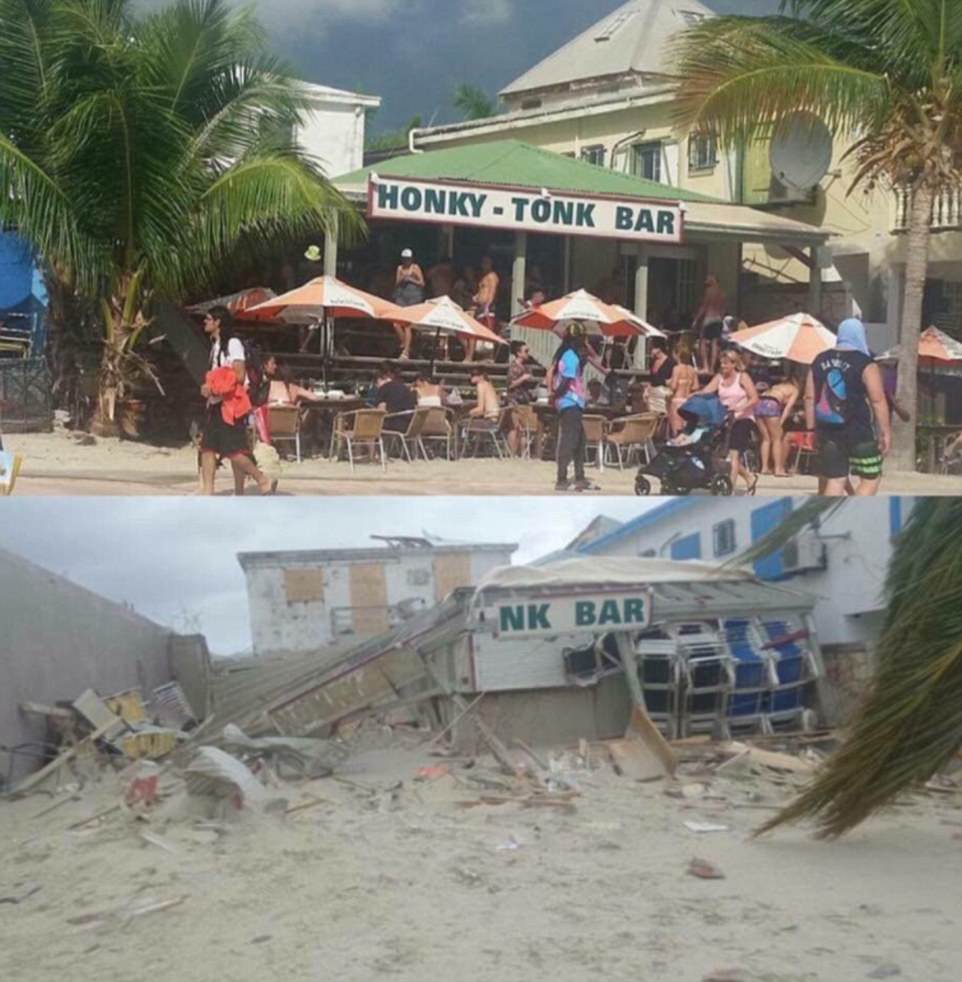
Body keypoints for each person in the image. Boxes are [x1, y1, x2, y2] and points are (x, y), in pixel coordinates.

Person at [806, 318, 891, 496]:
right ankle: (855, 513)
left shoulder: (819, 360)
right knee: (870, 477)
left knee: (836, 479)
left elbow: (809, 396)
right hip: (859, 430)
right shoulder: (865, 362)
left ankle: (829, 522)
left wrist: (811, 429)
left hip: (828, 429)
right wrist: (885, 431)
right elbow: (877, 399)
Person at [198, 306, 271, 496]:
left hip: (230, 405)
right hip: (216, 404)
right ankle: (208, 491)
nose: (204, 322)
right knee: (207, 447)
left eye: (208, 319)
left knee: (234, 451)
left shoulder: (233, 344)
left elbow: (239, 375)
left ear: (218, 322)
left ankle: (261, 479)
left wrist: (214, 388)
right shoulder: (216, 346)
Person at [697, 348, 760, 494]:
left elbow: (754, 398)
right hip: (725, 418)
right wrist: (691, 396)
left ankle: (729, 489)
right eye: (721, 364)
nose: (723, 367)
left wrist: (739, 407)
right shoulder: (719, 378)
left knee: (734, 454)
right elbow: (706, 391)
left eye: (726, 364)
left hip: (743, 418)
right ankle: (749, 477)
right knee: (716, 453)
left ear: (734, 364)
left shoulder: (742, 377)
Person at [552, 323, 599, 493]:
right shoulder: (570, 356)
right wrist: (556, 395)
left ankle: (579, 477)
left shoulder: (568, 355)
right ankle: (562, 479)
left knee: (580, 441)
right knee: (569, 441)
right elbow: (565, 382)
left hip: (573, 401)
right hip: (569, 401)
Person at [755, 368, 802, 477]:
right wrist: (781, 421)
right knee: (777, 438)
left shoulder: (777, 386)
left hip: (760, 401)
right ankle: (778, 469)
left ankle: (764, 467)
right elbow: (787, 408)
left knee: (766, 438)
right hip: (771, 404)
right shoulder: (794, 389)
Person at [392, 248, 425, 359]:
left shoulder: (415, 268)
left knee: (407, 325)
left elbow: (422, 283)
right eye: (404, 259)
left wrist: (411, 279)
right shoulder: (399, 268)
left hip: (413, 297)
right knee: (396, 323)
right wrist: (402, 278)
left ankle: (406, 350)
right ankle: (404, 343)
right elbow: (396, 283)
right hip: (402, 296)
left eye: (408, 259)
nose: (406, 261)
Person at [467, 255, 499, 361]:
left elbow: (492, 291)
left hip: (487, 307)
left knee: (487, 331)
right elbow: (482, 291)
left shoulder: (492, 276)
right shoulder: (483, 276)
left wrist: (488, 306)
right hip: (480, 306)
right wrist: (476, 297)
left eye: (486, 262)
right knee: (479, 330)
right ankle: (481, 355)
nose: (484, 265)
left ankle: (489, 356)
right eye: (483, 262)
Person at [693, 274, 726, 374]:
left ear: (713, 281)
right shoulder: (722, 293)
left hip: (708, 319)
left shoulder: (709, 292)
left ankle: (706, 366)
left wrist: (696, 319)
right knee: (714, 343)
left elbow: (704, 306)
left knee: (702, 342)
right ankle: (712, 369)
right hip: (718, 320)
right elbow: (724, 309)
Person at [667, 337, 698, 434]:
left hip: (677, 401)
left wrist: (668, 382)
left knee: (677, 431)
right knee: (686, 432)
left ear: (677, 354)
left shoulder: (677, 369)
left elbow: (673, 387)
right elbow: (695, 387)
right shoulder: (692, 369)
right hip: (688, 401)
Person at [375, 364, 417, 433]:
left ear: (382, 378)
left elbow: (380, 411)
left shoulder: (384, 389)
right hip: (409, 426)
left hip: (392, 425)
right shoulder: (405, 388)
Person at [646, 338, 676, 415]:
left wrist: (667, 382)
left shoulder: (670, 362)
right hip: (653, 393)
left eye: (652, 348)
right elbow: (651, 378)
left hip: (663, 393)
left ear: (659, 348)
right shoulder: (652, 361)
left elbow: (673, 378)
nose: (650, 350)